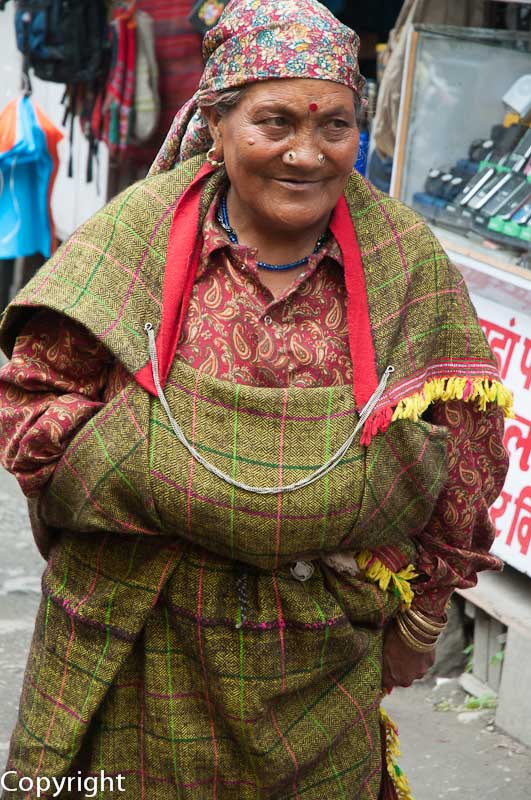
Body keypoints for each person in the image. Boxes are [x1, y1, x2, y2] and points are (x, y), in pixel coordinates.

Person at [0, 1, 511, 798]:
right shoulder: (133, 237)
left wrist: (420, 617)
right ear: (217, 120)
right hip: (139, 624)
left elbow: (469, 446)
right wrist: (149, 473)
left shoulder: (403, 262)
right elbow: (32, 403)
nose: (305, 154)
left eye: (334, 127)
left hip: (320, 647)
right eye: (273, 122)